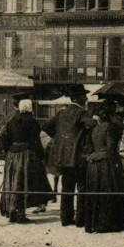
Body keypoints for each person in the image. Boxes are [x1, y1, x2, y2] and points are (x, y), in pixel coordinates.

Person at [0, 99, 53, 224]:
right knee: (24, 183)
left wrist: (10, 151)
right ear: (30, 108)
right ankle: (21, 214)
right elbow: (36, 142)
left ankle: (12, 212)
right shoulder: (32, 122)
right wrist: (41, 156)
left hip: (12, 156)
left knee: (12, 182)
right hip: (27, 155)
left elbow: (4, 139)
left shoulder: (12, 120)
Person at [42, 86, 97, 227]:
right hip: (78, 157)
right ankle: (80, 220)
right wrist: (96, 120)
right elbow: (91, 125)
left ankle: (65, 219)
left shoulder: (61, 113)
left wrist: (60, 139)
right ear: (78, 98)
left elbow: (46, 127)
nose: (86, 99)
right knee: (82, 188)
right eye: (84, 96)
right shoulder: (81, 113)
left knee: (66, 188)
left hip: (62, 157)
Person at [83, 102, 124, 233]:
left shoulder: (96, 129)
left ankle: (95, 223)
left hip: (95, 164)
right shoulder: (110, 127)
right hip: (106, 164)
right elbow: (110, 149)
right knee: (111, 190)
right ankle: (109, 224)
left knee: (97, 193)